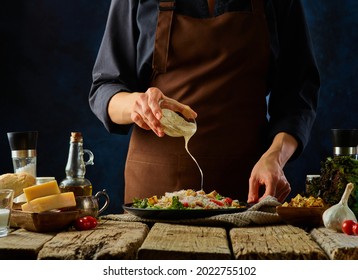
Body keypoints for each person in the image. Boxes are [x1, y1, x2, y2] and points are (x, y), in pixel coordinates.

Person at [89, 0, 320, 205]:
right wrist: (135, 104)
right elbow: (105, 87)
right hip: (155, 196)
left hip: (247, 191)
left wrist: (275, 157)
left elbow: (298, 93)